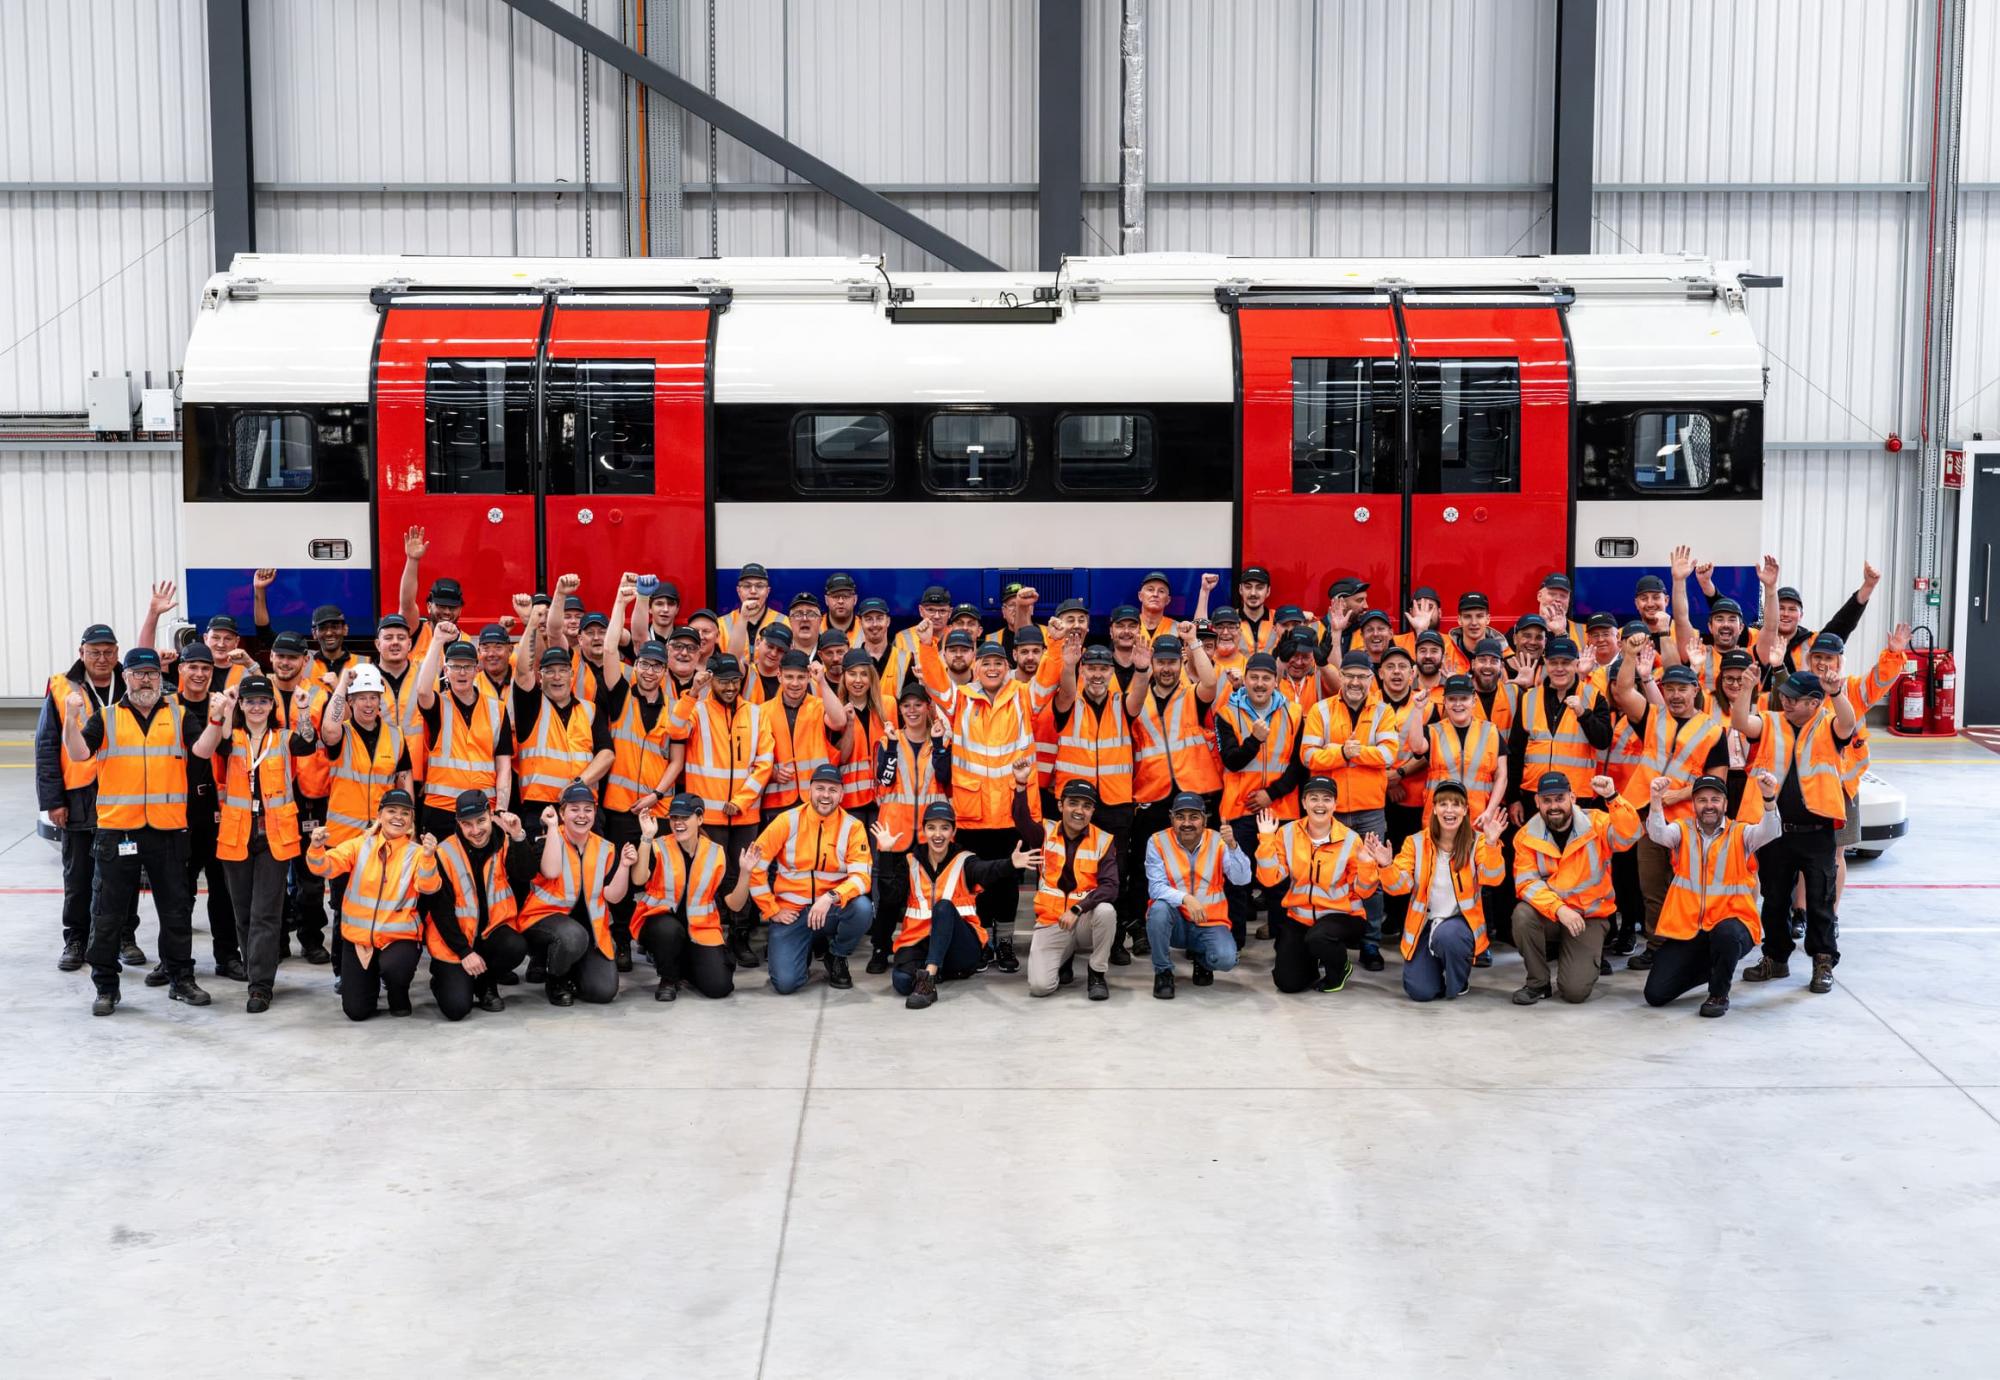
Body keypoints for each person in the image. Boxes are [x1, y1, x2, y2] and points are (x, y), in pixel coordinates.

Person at [64, 647, 209, 1016]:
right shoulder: (106, 718)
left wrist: (219, 720)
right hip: (118, 832)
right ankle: (106, 986)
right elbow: (79, 754)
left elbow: (204, 751)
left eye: (152, 674)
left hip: (167, 832)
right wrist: (71, 718)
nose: (146, 679)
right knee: (108, 913)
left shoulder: (179, 715)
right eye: (137, 673)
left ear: (160, 679)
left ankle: (180, 979)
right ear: (124, 677)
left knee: (176, 911)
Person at [917, 628, 1044, 973]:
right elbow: (934, 682)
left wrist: (1060, 643)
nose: (991, 668)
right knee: (976, 883)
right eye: (985, 662)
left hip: (1009, 811)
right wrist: (928, 646)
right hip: (971, 812)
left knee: (1008, 884)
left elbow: (1046, 681)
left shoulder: (1023, 696)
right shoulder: (959, 699)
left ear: (1007, 667)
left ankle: (1004, 942)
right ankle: (983, 940)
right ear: (975, 665)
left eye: (997, 663)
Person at [1732, 669, 1856, 994]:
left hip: (1817, 832)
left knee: (1820, 900)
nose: (1785, 701)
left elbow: (1849, 723)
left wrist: (1837, 692)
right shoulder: (1771, 721)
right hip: (1775, 830)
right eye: (1784, 696)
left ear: (1814, 703)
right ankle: (1775, 957)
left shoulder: (1828, 724)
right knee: (1773, 900)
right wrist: (1746, 689)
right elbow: (1742, 723)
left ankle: (1823, 962)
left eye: (1793, 698)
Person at [193, 677, 300, 1013]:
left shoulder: (283, 738)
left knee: (266, 913)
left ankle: (260, 986)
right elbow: (207, 748)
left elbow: (310, 744)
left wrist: (308, 710)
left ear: (272, 706)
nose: (256, 707)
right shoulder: (232, 737)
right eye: (250, 701)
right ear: (241, 705)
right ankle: (255, 969)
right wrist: (220, 710)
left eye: (263, 701)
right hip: (237, 833)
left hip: (274, 834)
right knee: (243, 914)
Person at [40, 621, 139, 972]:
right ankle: (77, 938)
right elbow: (47, 745)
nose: (102, 658)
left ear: (117, 654)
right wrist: (53, 801)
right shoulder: (61, 688)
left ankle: (126, 936)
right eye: (94, 652)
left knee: (124, 869)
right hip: (80, 797)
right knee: (79, 873)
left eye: (109, 652)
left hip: (124, 795)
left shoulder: (130, 685)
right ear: (81, 653)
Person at [1642, 772, 1783, 1017]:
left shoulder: (1741, 833)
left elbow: (1770, 831)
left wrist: (1769, 799)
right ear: (1694, 804)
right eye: (1702, 800)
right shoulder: (1682, 830)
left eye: (1715, 799)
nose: (1709, 805)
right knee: (1655, 994)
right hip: (1693, 929)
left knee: (1726, 936)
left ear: (1725, 804)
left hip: (1734, 923)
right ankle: (1716, 965)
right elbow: (1657, 834)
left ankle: (1718, 993)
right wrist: (1655, 800)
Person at [666, 653, 774, 967]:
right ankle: (712, 936)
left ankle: (739, 938)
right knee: (710, 879)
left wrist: (740, 801)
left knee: (743, 875)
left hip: (744, 816)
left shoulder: (756, 714)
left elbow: (765, 762)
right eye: (724, 680)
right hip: (707, 818)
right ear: (711, 679)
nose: (730, 686)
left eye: (735, 680)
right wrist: (691, 693)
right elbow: (674, 730)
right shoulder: (696, 710)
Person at [878, 802, 1037, 1009]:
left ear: (953, 831)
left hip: (962, 946)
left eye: (944, 828)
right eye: (932, 827)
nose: (938, 834)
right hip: (920, 942)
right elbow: (890, 897)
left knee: (943, 906)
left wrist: (1010, 864)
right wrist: (886, 854)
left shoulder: (965, 860)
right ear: (924, 830)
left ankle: (928, 979)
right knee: (901, 982)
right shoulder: (910, 861)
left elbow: (986, 870)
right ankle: (937, 971)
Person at [304, 788, 441, 1021]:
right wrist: (317, 847)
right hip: (359, 940)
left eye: (405, 813)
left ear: (411, 821)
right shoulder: (359, 846)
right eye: (392, 811)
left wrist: (429, 857)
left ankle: (398, 992)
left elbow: (429, 887)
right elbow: (325, 867)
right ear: (379, 816)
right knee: (356, 1012)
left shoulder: (418, 853)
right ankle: (369, 982)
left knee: (396, 967)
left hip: (398, 939)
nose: (398, 817)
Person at [1301, 649, 1399, 970]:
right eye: (1350, 675)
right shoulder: (1320, 711)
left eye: (1362, 676)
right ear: (1340, 677)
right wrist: (1342, 752)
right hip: (1330, 814)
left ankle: (1370, 944)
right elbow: (1308, 757)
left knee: (1371, 880)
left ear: (1372, 679)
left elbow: (1388, 756)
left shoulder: (1383, 711)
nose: (1355, 682)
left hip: (1371, 811)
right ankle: (1332, 941)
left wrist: (1348, 753)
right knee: (1330, 878)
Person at [315, 663, 411, 980]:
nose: (368, 704)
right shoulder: (340, 734)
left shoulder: (396, 737)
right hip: (344, 840)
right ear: (352, 702)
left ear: (381, 699)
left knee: (382, 905)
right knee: (345, 908)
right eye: (362, 697)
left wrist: (409, 829)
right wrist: (343, 685)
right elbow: (327, 727)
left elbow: (404, 782)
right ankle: (345, 972)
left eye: (373, 697)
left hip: (384, 841)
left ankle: (380, 967)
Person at [1511, 772, 1641, 1006]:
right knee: (1522, 914)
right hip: (1553, 915)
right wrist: (1559, 909)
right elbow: (1526, 883)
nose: (1554, 806)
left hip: (1589, 918)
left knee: (1574, 992)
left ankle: (1578, 955)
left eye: (1559, 798)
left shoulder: (1597, 822)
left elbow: (1629, 836)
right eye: (1547, 800)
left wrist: (1612, 797)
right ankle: (1538, 983)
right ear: (1537, 802)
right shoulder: (1525, 836)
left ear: (1572, 797)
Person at [1370, 780, 1506, 1002]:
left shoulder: (1479, 842)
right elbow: (1398, 887)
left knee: (1448, 936)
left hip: (1459, 925)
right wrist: (1386, 866)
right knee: (1420, 992)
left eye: (1456, 804)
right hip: (1425, 925)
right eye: (1443, 804)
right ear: (1433, 809)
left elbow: (1493, 878)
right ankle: (1435, 966)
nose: (1449, 810)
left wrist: (1492, 845)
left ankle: (1458, 980)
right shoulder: (1415, 843)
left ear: (1465, 810)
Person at [746, 764, 874, 994]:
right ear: (810, 790)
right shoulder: (787, 821)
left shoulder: (853, 827)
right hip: (792, 913)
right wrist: (772, 910)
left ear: (841, 794)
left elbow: (863, 878)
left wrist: (831, 897)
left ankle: (836, 955)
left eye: (833, 790)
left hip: (830, 910)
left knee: (863, 909)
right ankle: (803, 946)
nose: (826, 795)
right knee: (786, 984)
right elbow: (755, 867)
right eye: (820, 788)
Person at [1213, 651, 1307, 947]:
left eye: (1266, 678)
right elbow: (1231, 761)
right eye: (1254, 677)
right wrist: (1255, 740)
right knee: (1237, 879)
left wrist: (1272, 793)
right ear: (1246, 679)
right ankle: (1235, 939)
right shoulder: (1226, 712)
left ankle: (1282, 940)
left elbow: (1299, 763)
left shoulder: (1294, 713)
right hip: (1239, 809)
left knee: (1279, 880)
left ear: (1276, 681)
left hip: (1281, 808)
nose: (1259, 683)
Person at [513, 781, 635, 1005]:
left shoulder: (605, 848)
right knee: (572, 937)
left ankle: (572, 967)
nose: (582, 816)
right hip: (543, 922)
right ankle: (555, 978)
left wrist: (625, 866)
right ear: (562, 812)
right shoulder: (546, 840)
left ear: (595, 813)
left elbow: (613, 896)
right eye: (574, 809)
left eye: (588, 809)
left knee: (602, 992)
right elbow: (550, 871)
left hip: (589, 931)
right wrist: (551, 827)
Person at [1255, 776, 1381, 994]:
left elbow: (1364, 891)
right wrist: (1266, 840)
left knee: (1319, 937)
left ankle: (1339, 968)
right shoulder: (1286, 833)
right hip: (1300, 918)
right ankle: (1310, 961)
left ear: (1335, 804)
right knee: (1287, 983)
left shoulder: (1351, 840)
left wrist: (1367, 866)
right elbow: (1269, 879)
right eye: (1313, 799)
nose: (1320, 805)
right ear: (1304, 803)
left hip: (1343, 917)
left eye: (1326, 799)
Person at [1052, 641, 1138, 958]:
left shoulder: (1122, 703)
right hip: (1077, 805)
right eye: (1091, 668)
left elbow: (1140, 693)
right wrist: (1068, 664)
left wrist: (1142, 669)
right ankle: (1064, 938)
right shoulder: (1068, 701)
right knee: (1069, 870)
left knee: (1116, 875)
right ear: (1083, 671)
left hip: (1116, 805)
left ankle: (1112, 941)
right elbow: (1064, 692)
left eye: (1103, 668)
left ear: (1112, 672)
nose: (1097, 674)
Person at [865, 679, 951, 972]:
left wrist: (938, 744)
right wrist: (889, 748)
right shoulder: (889, 740)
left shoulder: (940, 740)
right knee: (890, 896)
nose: (912, 710)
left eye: (918, 705)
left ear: (928, 708)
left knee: (928, 894)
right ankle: (880, 947)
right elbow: (885, 779)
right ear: (900, 710)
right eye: (906, 706)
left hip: (931, 837)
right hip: (895, 834)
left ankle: (924, 944)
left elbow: (946, 776)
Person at [631, 793, 748, 1001]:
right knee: (669, 931)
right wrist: (646, 837)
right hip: (660, 924)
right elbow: (639, 879)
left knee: (719, 987)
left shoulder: (716, 853)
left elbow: (735, 905)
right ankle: (668, 978)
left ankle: (683, 964)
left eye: (685, 818)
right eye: (674, 817)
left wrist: (746, 873)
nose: (678, 823)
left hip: (700, 929)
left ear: (700, 819)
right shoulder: (658, 846)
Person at [425, 792, 532, 1020]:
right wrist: (464, 952)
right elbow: (440, 911)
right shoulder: (444, 853)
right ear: (458, 823)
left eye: (481, 821)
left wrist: (518, 836)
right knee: (456, 1009)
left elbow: (525, 873)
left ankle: (485, 983)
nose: (476, 831)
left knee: (515, 946)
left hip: (490, 932)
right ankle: (442, 978)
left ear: (491, 815)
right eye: (467, 824)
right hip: (454, 942)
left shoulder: (503, 841)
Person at [168, 641, 239, 981]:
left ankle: (227, 956)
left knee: (222, 890)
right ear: (180, 669)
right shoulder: (168, 707)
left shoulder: (220, 704)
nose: (198, 674)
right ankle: (173, 960)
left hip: (216, 810)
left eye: (206, 668)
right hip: (177, 812)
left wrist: (224, 712)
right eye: (192, 667)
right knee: (178, 892)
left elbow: (227, 746)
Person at [1016, 774, 1118, 1000]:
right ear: (1061, 805)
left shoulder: (1104, 840)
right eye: (1073, 803)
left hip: (1083, 921)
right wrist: (1021, 786)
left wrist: (1078, 909)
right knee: (1040, 987)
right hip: (1052, 923)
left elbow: (1111, 887)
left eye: (1087, 806)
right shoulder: (1044, 831)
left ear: (1093, 811)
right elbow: (1022, 821)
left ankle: (1097, 973)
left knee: (1106, 911)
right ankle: (1065, 957)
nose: (1079, 811)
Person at [1143, 792, 1252, 998]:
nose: (1186, 823)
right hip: (1176, 922)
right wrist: (1186, 899)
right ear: (1171, 817)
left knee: (1227, 959)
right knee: (1157, 909)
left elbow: (1242, 879)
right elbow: (1156, 887)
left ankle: (1202, 960)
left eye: (1193, 817)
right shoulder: (1157, 841)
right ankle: (1163, 971)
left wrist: (1233, 847)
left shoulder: (1219, 841)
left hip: (1210, 921)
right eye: (1180, 817)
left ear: (1204, 818)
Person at [718, 562, 788, 654]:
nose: (753, 591)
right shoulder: (720, 624)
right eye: (747, 586)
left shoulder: (785, 622)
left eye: (759, 586)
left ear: (767, 591)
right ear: (738, 591)